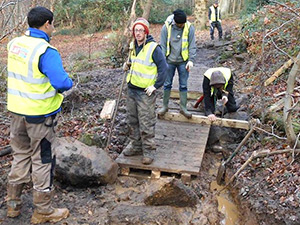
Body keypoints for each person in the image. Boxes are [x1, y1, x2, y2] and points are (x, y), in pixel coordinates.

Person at [6, 6, 72, 224]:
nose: (53, 28)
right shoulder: (46, 51)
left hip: (16, 113)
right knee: (43, 161)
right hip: (39, 118)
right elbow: (61, 83)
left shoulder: (14, 45)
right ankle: (42, 210)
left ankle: (13, 205)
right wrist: (69, 83)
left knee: (20, 156)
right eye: (52, 24)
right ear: (47, 24)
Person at [122, 18, 168, 165]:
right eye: (136, 30)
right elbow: (134, 63)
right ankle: (136, 146)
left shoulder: (154, 48)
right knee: (132, 120)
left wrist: (155, 86)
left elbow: (164, 69)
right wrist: (126, 65)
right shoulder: (132, 46)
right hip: (132, 89)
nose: (138, 33)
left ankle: (148, 150)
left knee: (146, 121)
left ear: (146, 32)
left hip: (145, 93)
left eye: (141, 30)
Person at [159, 9, 196, 119]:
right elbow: (163, 45)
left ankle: (183, 108)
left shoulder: (189, 28)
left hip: (183, 61)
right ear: (175, 22)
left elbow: (192, 45)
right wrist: (163, 61)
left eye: (183, 24)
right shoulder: (166, 27)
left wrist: (191, 60)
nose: (181, 26)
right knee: (167, 84)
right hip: (169, 61)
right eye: (180, 24)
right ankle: (164, 106)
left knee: (183, 85)